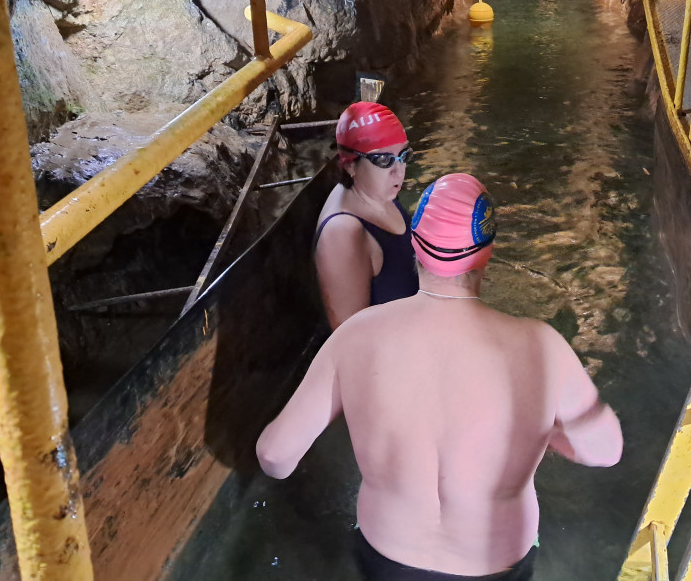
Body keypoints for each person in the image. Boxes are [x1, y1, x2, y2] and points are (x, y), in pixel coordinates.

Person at [258, 173, 623, 580]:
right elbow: (604, 452)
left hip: (388, 559)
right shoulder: (542, 345)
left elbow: (276, 456)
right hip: (495, 564)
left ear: (414, 244)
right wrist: (549, 434)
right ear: (488, 252)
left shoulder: (355, 337)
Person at [313, 101, 418, 329]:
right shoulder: (342, 233)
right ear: (349, 164)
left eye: (404, 155)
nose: (398, 171)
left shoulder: (377, 191)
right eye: (383, 160)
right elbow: (350, 343)